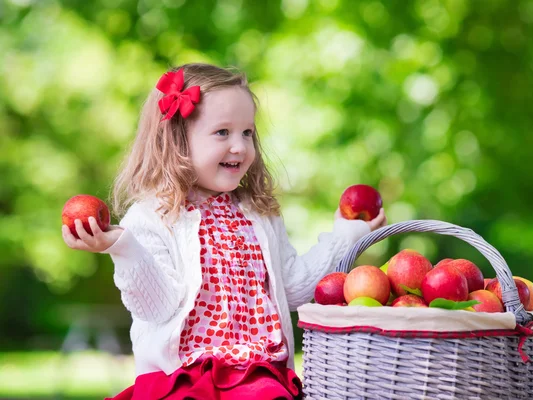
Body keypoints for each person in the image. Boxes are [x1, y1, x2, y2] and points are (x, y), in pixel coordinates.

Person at [61, 63, 386, 400]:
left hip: (259, 377)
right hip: (185, 378)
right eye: (223, 133)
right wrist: (123, 246)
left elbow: (294, 287)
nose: (240, 147)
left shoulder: (258, 215)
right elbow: (157, 307)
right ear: (177, 141)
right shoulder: (150, 216)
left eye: (247, 133)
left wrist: (347, 235)